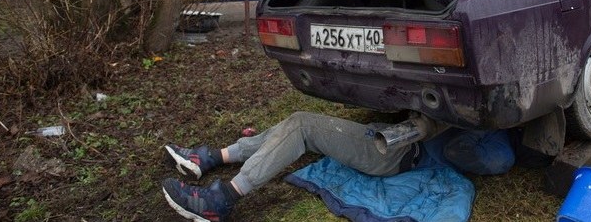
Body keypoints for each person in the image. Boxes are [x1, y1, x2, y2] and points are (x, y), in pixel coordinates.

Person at [162, 111, 515, 222]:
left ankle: (221, 199)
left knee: (302, 125)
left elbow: (471, 155)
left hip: (397, 155)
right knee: (294, 125)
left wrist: (457, 122)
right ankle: (212, 158)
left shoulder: (500, 143)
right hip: (392, 138)